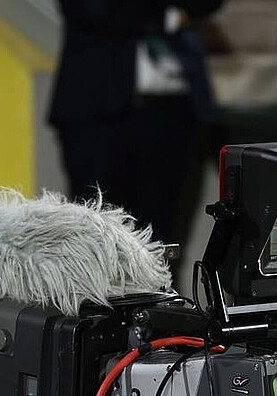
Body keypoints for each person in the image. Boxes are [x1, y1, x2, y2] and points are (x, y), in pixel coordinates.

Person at [49, 0, 222, 255]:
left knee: (162, 243)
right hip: (98, 114)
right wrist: (168, 18)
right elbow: (95, 10)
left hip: (174, 113)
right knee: (96, 238)